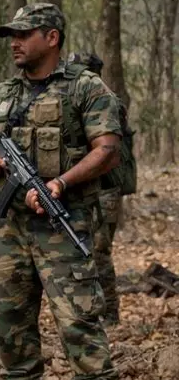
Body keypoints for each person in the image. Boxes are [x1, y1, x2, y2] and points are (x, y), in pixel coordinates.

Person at [0, 4, 123, 380]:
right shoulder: (1, 95)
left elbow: (107, 149)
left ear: (52, 38)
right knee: (10, 314)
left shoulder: (85, 88)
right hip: (10, 227)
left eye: (24, 34)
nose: (14, 42)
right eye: (11, 35)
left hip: (62, 220)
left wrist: (60, 183)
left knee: (78, 315)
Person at [67, 51, 137, 327]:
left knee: (99, 249)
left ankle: (109, 312)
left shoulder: (106, 101)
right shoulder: (79, 100)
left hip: (106, 187)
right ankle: (89, 309)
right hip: (87, 185)